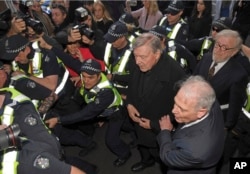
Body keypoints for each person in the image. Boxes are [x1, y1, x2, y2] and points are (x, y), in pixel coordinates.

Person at [0, 61, 88, 174]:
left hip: (44, 127)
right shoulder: (4, 92)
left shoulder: (19, 83)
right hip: (23, 143)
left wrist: (39, 114)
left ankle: (90, 148)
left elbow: (51, 95)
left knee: (66, 148)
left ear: (2, 73)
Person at [45, 59, 131, 167]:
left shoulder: (105, 94)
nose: (86, 80)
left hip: (116, 114)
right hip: (105, 113)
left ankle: (125, 154)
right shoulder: (90, 76)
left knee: (111, 140)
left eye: (90, 77)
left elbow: (85, 114)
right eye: (83, 76)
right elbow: (70, 61)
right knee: (127, 127)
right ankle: (134, 134)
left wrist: (58, 120)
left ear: (99, 75)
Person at [126, 33, 186, 172]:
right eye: (136, 56)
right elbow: (131, 84)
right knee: (143, 146)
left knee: (162, 156)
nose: (137, 61)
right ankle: (146, 161)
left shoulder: (176, 74)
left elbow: (184, 109)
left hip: (158, 128)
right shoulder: (138, 59)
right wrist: (129, 104)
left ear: (157, 54)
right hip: (138, 121)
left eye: (143, 57)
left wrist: (154, 124)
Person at [193, 29, 250, 172]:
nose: (218, 50)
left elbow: (234, 105)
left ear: (234, 52)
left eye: (225, 48)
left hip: (216, 119)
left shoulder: (238, 74)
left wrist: (226, 126)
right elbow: (193, 79)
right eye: (218, 44)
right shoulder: (206, 58)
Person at [158, 75, 224, 174]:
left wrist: (165, 131)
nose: (173, 110)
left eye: (182, 109)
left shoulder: (195, 151)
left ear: (201, 112)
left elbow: (167, 156)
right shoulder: (209, 100)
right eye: (175, 103)